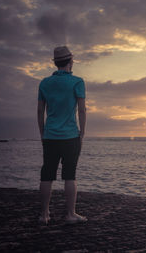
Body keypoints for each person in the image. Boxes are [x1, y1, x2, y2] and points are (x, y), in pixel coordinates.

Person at [37, 46, 87, 224]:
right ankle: (70, 214)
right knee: (70, 175)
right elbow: (81, 110)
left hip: (50, 136)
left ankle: (44, 215)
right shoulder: (77, 82)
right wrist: (82, 133)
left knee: (47, 175)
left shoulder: (44, 83)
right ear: (70, 62)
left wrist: (43, 133)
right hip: (70, 136)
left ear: (56, 63)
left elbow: (40, 110)